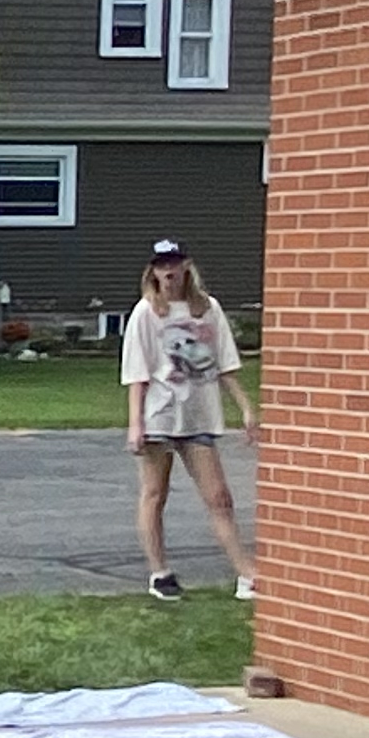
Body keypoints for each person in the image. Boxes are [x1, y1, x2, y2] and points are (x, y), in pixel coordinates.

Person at [120, 239, 257, 600]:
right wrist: (136, 424)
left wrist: (245, 407)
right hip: (160, 416)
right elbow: (137, 373)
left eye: (174, 264)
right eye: (162, 265)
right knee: (154, 493)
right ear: (153, 271)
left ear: (185, 267)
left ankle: (247, 574)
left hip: (199, 416)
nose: (169, 271)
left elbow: (224, 364)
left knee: (220, 497)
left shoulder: (207, 309)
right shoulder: (146, 313)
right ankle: (160, 572)